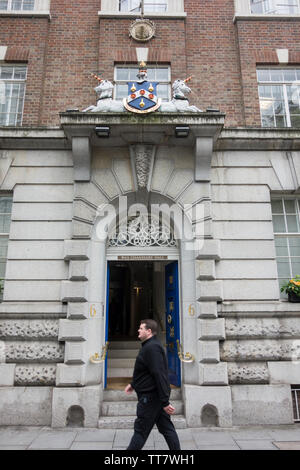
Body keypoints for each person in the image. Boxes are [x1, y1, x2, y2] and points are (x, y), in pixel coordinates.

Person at [125, 319, 181, 450]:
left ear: (149, 331)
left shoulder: (152, 348)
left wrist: (165, 401)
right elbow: (146, 371)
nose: (138, 330)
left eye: (141, 328)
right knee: (167, 429)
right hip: (154, 397)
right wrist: (133, 384)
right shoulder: (149, 346)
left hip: (150, 399)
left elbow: (159, 374)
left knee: (140, 432)